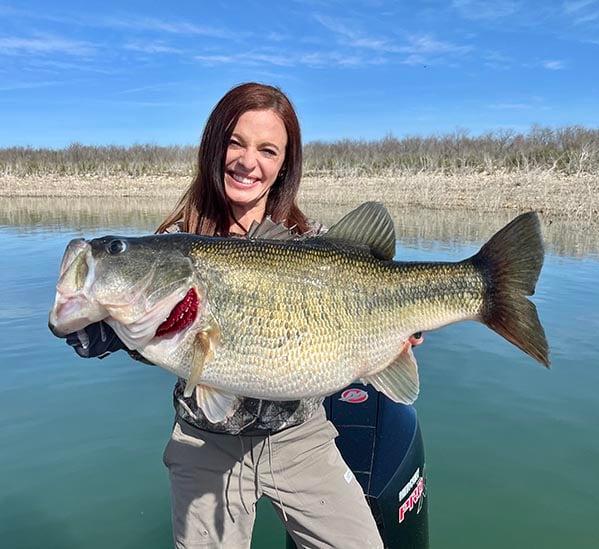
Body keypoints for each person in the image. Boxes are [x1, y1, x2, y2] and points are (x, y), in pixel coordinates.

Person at [67, 82, 423, 548]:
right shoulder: (177, 240)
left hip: (300, 436)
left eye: (267, 150)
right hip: (204, 443)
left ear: (284, 164)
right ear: (215, 146)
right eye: (235, 142)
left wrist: (399, 328)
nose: (247, 161)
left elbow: (375, 304)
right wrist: (106, 328)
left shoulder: (310, 239)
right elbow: (169, 340)